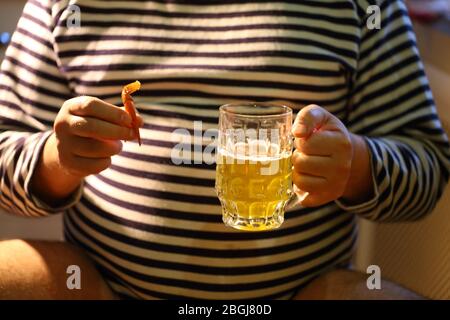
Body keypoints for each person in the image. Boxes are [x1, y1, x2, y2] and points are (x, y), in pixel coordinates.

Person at [0, 0, 448, 300]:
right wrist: (57, 160)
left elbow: (427, 168)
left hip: (307, 292)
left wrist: (355, 165)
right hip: (97, 288)